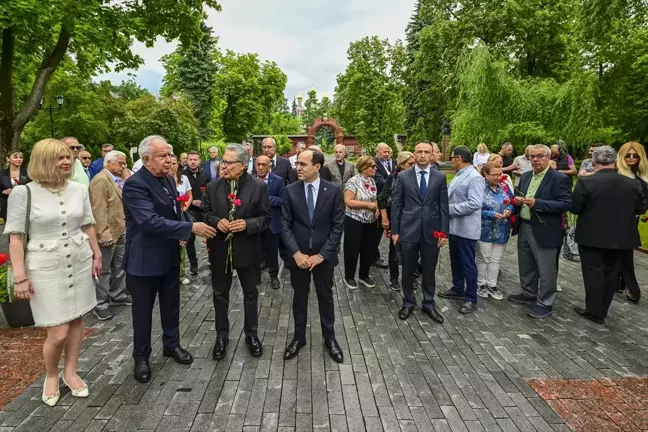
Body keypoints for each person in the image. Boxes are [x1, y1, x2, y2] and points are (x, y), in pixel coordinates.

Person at [5, 138, 102, 406]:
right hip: (45, 268)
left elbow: (88, 225)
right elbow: (15, 238)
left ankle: (70, 372)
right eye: (59, 157)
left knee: (76, 322)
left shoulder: (78, 190)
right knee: (57, 331)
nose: (67, 161)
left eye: (68, 157)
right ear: (43, 161)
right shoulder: (24, 193)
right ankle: (51, 375)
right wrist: (21, 277)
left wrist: (96, 254)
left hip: (79, 261)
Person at [122, 135, 217, 383]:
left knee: (171, 305)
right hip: (144, 260)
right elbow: (148, 221)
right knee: (142, 313)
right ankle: (141, 357)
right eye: (163, 156)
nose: (170, 160)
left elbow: (176, 210)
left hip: (168, 254)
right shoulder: (135, 184)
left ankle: (171, 344)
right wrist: (190, 229)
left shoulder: (166, 179)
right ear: (146, 159)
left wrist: (185, 228)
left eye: (170, 155)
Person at [202, 144, 270, 360]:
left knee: (250, 294)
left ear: (242, 165)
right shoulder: (213, 187)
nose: (223, 165)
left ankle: (251, 334)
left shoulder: (258, 186)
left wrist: (248, 224)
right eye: (223, 161)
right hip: (221, 249)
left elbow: (266, 218)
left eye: (228, 162)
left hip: (247, 250)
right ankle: (222, 336)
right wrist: (216, 221)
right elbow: (204, 213)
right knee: (220, 294)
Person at [281, 149, 345, 363]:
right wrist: (296, 253)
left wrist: (322, 255)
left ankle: (330, 339)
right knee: (299, 299)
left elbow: (338, 226)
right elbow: (285, 225)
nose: (298, 168)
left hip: (323, 259)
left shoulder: (333, 191)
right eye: (297, 164)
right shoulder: (290, 190)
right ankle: (299, 338)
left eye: (303, 164)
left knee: (325, 299)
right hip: (298, 257)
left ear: (317, 167)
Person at [571, 146, 646, 324]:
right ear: (614, 161)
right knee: (612, 273)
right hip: (621, 236)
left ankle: (594, 311)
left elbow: (575, 207)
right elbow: (642, 207)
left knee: (593, 274)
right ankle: (602, 309)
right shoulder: (633, 183)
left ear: (594, 161)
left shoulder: (586, 182)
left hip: (592, 236)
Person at [507, 144, 573, 318]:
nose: (535, 160)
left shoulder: (559, 178)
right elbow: (517, 195)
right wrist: (517, 201)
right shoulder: (527, 176)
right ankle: (528, 293)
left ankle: (545, 302)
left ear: (548, 158)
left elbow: (566, 204)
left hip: (546, 229)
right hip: (525, 225)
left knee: (546, 268)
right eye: (531, 156)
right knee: (526, 263)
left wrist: (538, 204)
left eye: (540, 156)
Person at [391, 142, 448, 323]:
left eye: (426, 152)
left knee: (429, 270)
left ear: (432, 155)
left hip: (432, 231)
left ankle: (429, 303)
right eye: (419, 152)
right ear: (414, 155)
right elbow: (397, 205)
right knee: (408, 269)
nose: (423, 155)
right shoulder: (403, 176)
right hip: (408, 230)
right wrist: (395, 231)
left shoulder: (439, 177)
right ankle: (408, 302)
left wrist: (444, 232)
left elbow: (443, 207)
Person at [438, 146, 485, 314]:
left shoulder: (474, 178)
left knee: (467, 263)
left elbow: (474, 203)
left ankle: (471, 297)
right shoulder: (460, 175)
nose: (451, 161)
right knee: (456, 261)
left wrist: (447, 209)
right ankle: (458, 288)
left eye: (452, 158)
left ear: (458, 158)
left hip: (466, 228)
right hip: (454, 228)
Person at [88, 150, 131, 321]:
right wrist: (103, 233)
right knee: (103, 269)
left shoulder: (114, 179)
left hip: (120, 229)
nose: (124, 166)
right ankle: (100, 304)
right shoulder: (100, 180)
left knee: (120, 266)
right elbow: (98, 209)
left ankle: (118, 294)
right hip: (107, 233)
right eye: (120, 163)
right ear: (109, 163)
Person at [476, 162, 514, 301]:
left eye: (500, 174)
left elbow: (511, 201)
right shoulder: (479, 188)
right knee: (483, 258)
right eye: (494, 175)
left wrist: (509, 210)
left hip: (502, 228)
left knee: (496, 259)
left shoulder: (504, 188)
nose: (498, 177)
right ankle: (480, 284)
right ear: (486, 174)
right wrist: (491, 214)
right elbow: (475, 208)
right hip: (485, 228)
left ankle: (492, 284)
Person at [378, 151, 415, 291]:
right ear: (401, 164)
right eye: (410, 164)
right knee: (394, 250)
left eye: (414, 164)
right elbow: (382, 198)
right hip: (397, 218)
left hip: (412, 219)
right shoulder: (393, 178)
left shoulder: (415, 177)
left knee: (412, 250)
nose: (413, 166)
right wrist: (385, 218)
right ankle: (394, 278)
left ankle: (410, 277)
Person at [343, 156, 380, 290]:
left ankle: (363, 275)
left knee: (369, 248)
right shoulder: (352, 182)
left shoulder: (371, 181)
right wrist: (367, 205)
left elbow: (374, 198)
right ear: (364, 168)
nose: (375, 169)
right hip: (354, 220)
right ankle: (349, 276)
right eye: (373, 166)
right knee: (352, 249)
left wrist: (376, 208)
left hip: (370, 221)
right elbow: (348, 201)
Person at [617, 141, 648, 302]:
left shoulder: (643, 177)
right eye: (627, 155)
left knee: (625, 251)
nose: (631, 158)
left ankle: (627, 284)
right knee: (621, 251)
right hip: (613, 218)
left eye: (635, 155)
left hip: (631, 218)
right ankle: (627, 285)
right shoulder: (617, 173)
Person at [254, 155, 284, 290]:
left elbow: (283, 200)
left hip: (272, 223)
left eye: (264, 165)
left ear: (269, 166)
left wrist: (265, 198)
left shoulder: (278, 181)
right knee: (255, 250)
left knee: (272, 252)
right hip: (254, 223)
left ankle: (273, 276)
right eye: (258, 164)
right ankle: (256, 276)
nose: (261, 167)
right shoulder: (250, 180)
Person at [182, 151, 209, 275]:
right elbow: (181, 193)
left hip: (203, 210)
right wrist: (191, 202)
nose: (193, 162)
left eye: (195, 159)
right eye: (190, 159)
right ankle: (193, 264)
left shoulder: (205, 174)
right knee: (190, 238)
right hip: (190, 210)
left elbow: (210, 191)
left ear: (199, 161)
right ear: (186, 161)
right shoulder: (182, 175)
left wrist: (203, 202)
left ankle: (212, 260)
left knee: (209, 235)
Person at [169, 155, 193, 285]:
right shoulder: (163, 179)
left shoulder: (183, 178)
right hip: (169, 216)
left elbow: (189, 196)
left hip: (181, 214)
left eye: (174, 163)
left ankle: (182, 272)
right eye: (170, 163)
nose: (172, 165)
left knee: (183, 242)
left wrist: (185, 207)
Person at [371, 143, 394, 270]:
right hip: (379, 201)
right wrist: (394, 182)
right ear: (377, 151)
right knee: (377, 231)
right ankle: (373, 256)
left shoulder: (393, 162)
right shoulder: (373, 163)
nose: (387, 154)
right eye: (384, 152)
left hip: (392, 202)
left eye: (388, 152)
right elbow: (379, 181)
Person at [0, 151, 30, 222]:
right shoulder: (1, 173)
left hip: (24, 206)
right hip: (7, 207)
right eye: (15, 157)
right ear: (8, 159)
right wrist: (3, 192)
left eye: (21, 157)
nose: (19, 159)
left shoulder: (28, 173)